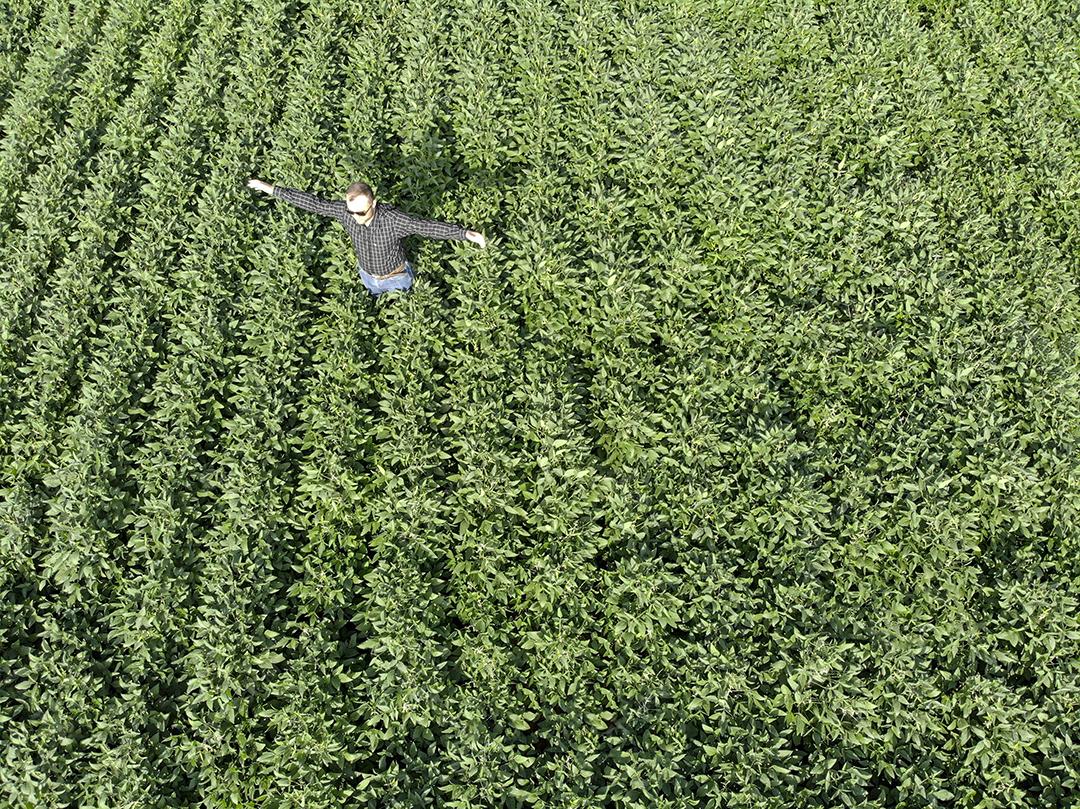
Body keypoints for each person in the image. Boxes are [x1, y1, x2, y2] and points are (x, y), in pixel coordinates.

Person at [246, 178, 486, 297]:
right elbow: (312, 203)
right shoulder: (347, 213)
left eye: (360, 211)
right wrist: (269, 188)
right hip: (367, 277)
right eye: (351, 211)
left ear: (374, 203)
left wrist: (465, 234)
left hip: (396, 280)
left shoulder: (393, 220)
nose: (355, 217)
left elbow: (426, 227)